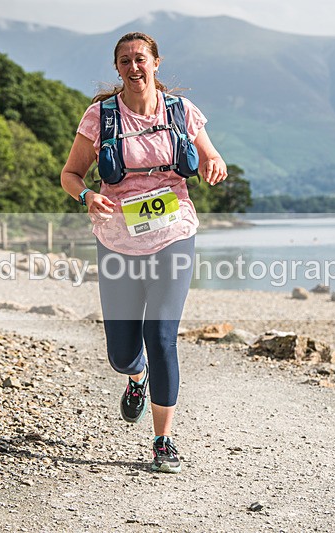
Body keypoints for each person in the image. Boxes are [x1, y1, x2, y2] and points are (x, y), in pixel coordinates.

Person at [61, 32, 227, 473]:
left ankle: (162, 440)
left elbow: (212, 156)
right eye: (125, 61)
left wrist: (214, 163)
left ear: (156, 62)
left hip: (174, 232)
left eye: (140, 59)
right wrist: (86, 196)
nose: (134, 67)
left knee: (161, 336)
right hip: (117, 239)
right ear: (117, 68)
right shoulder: (100, 117)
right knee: (121, 353)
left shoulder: (181, 111)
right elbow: (71, 174)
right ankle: (136, 377)